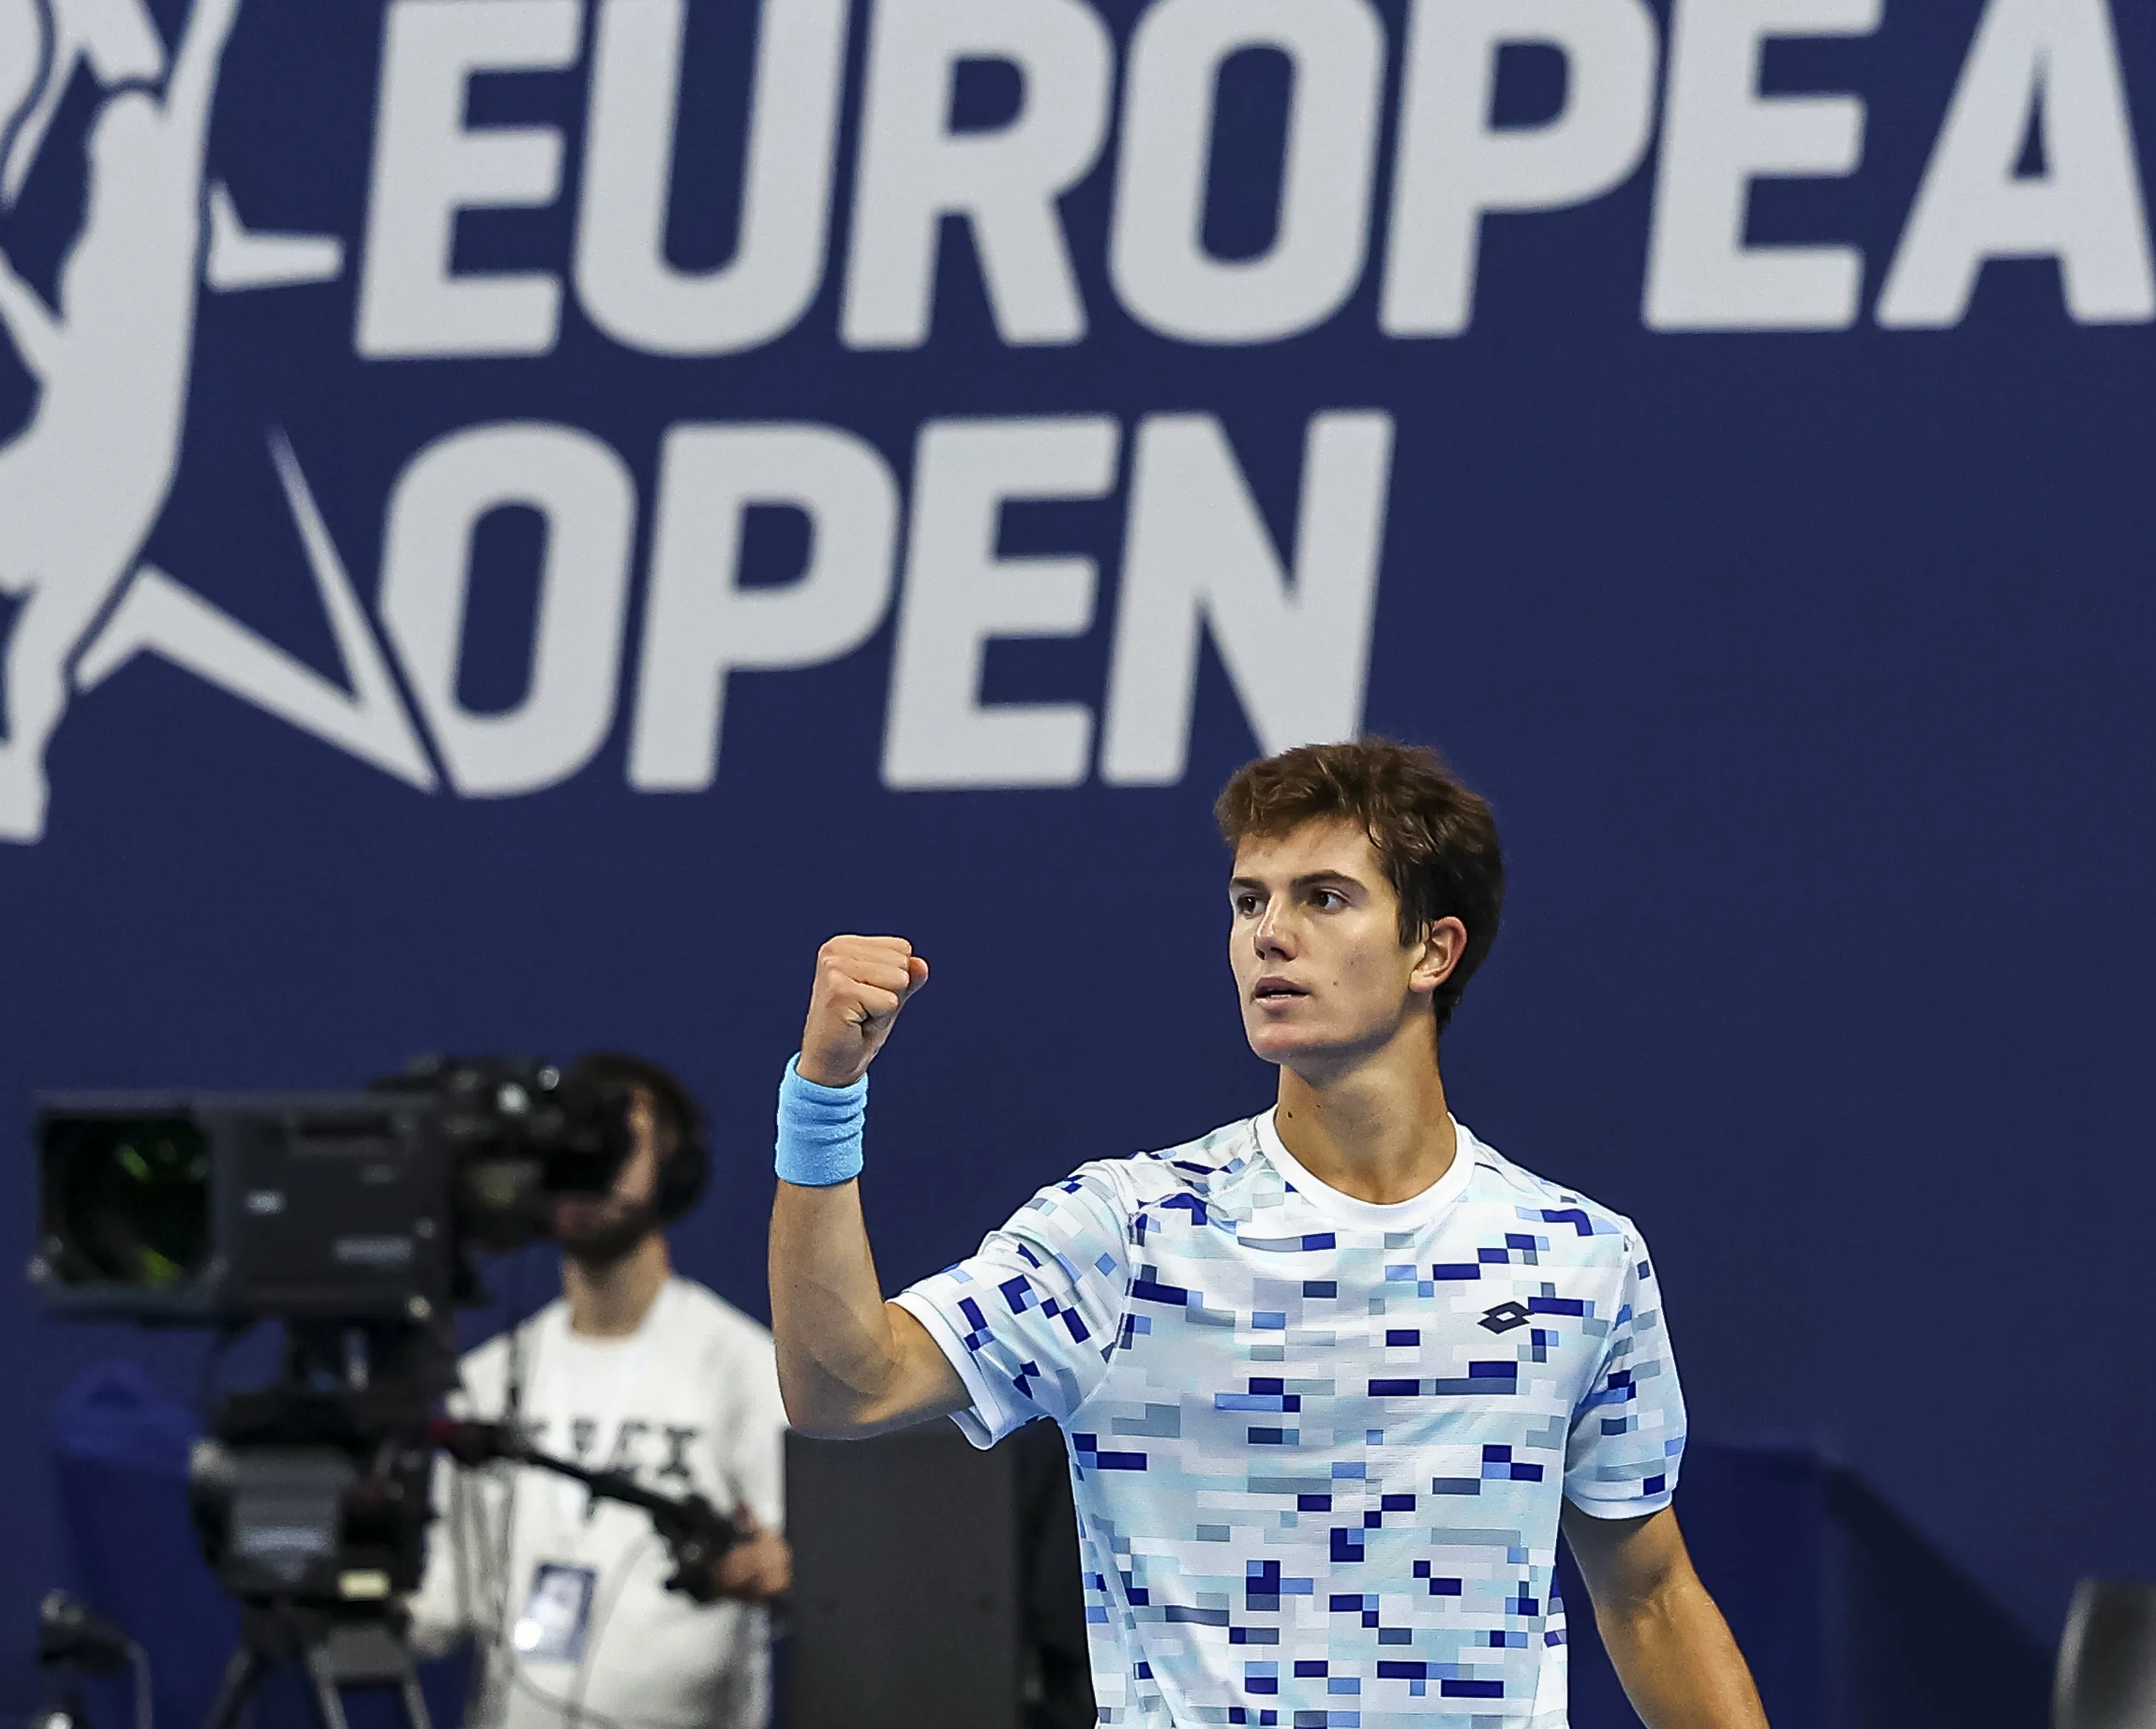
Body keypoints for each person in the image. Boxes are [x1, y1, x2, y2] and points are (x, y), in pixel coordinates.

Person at [768, 737, 1772, 1729]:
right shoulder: (1130, 1234)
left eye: (1322, 897)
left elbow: (1650, 1598)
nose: (1269, 934)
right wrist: (824, 1095)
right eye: (1251, 900)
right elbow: (841, 1385)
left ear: (1434, 947)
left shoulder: (1579, 1258)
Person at [0, 0, 292, 842]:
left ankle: (13, 771)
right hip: (62, 444)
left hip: (118, 471)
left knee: (31, 660)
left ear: (148, 144)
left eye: (112, 136)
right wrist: (3, 296)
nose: (97, 150)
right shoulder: (97, 244)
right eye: (97, 144)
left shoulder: (166, 211)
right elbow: (68, 365)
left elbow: (204, 48)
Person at [412, 1054, 793, 1729]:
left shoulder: (746, 1370)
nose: (588, 1169)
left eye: (616, 1141)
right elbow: (444, 1605)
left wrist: (783, 1571)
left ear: (674, 1171)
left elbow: (801, 1576)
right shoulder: (485, 1379)